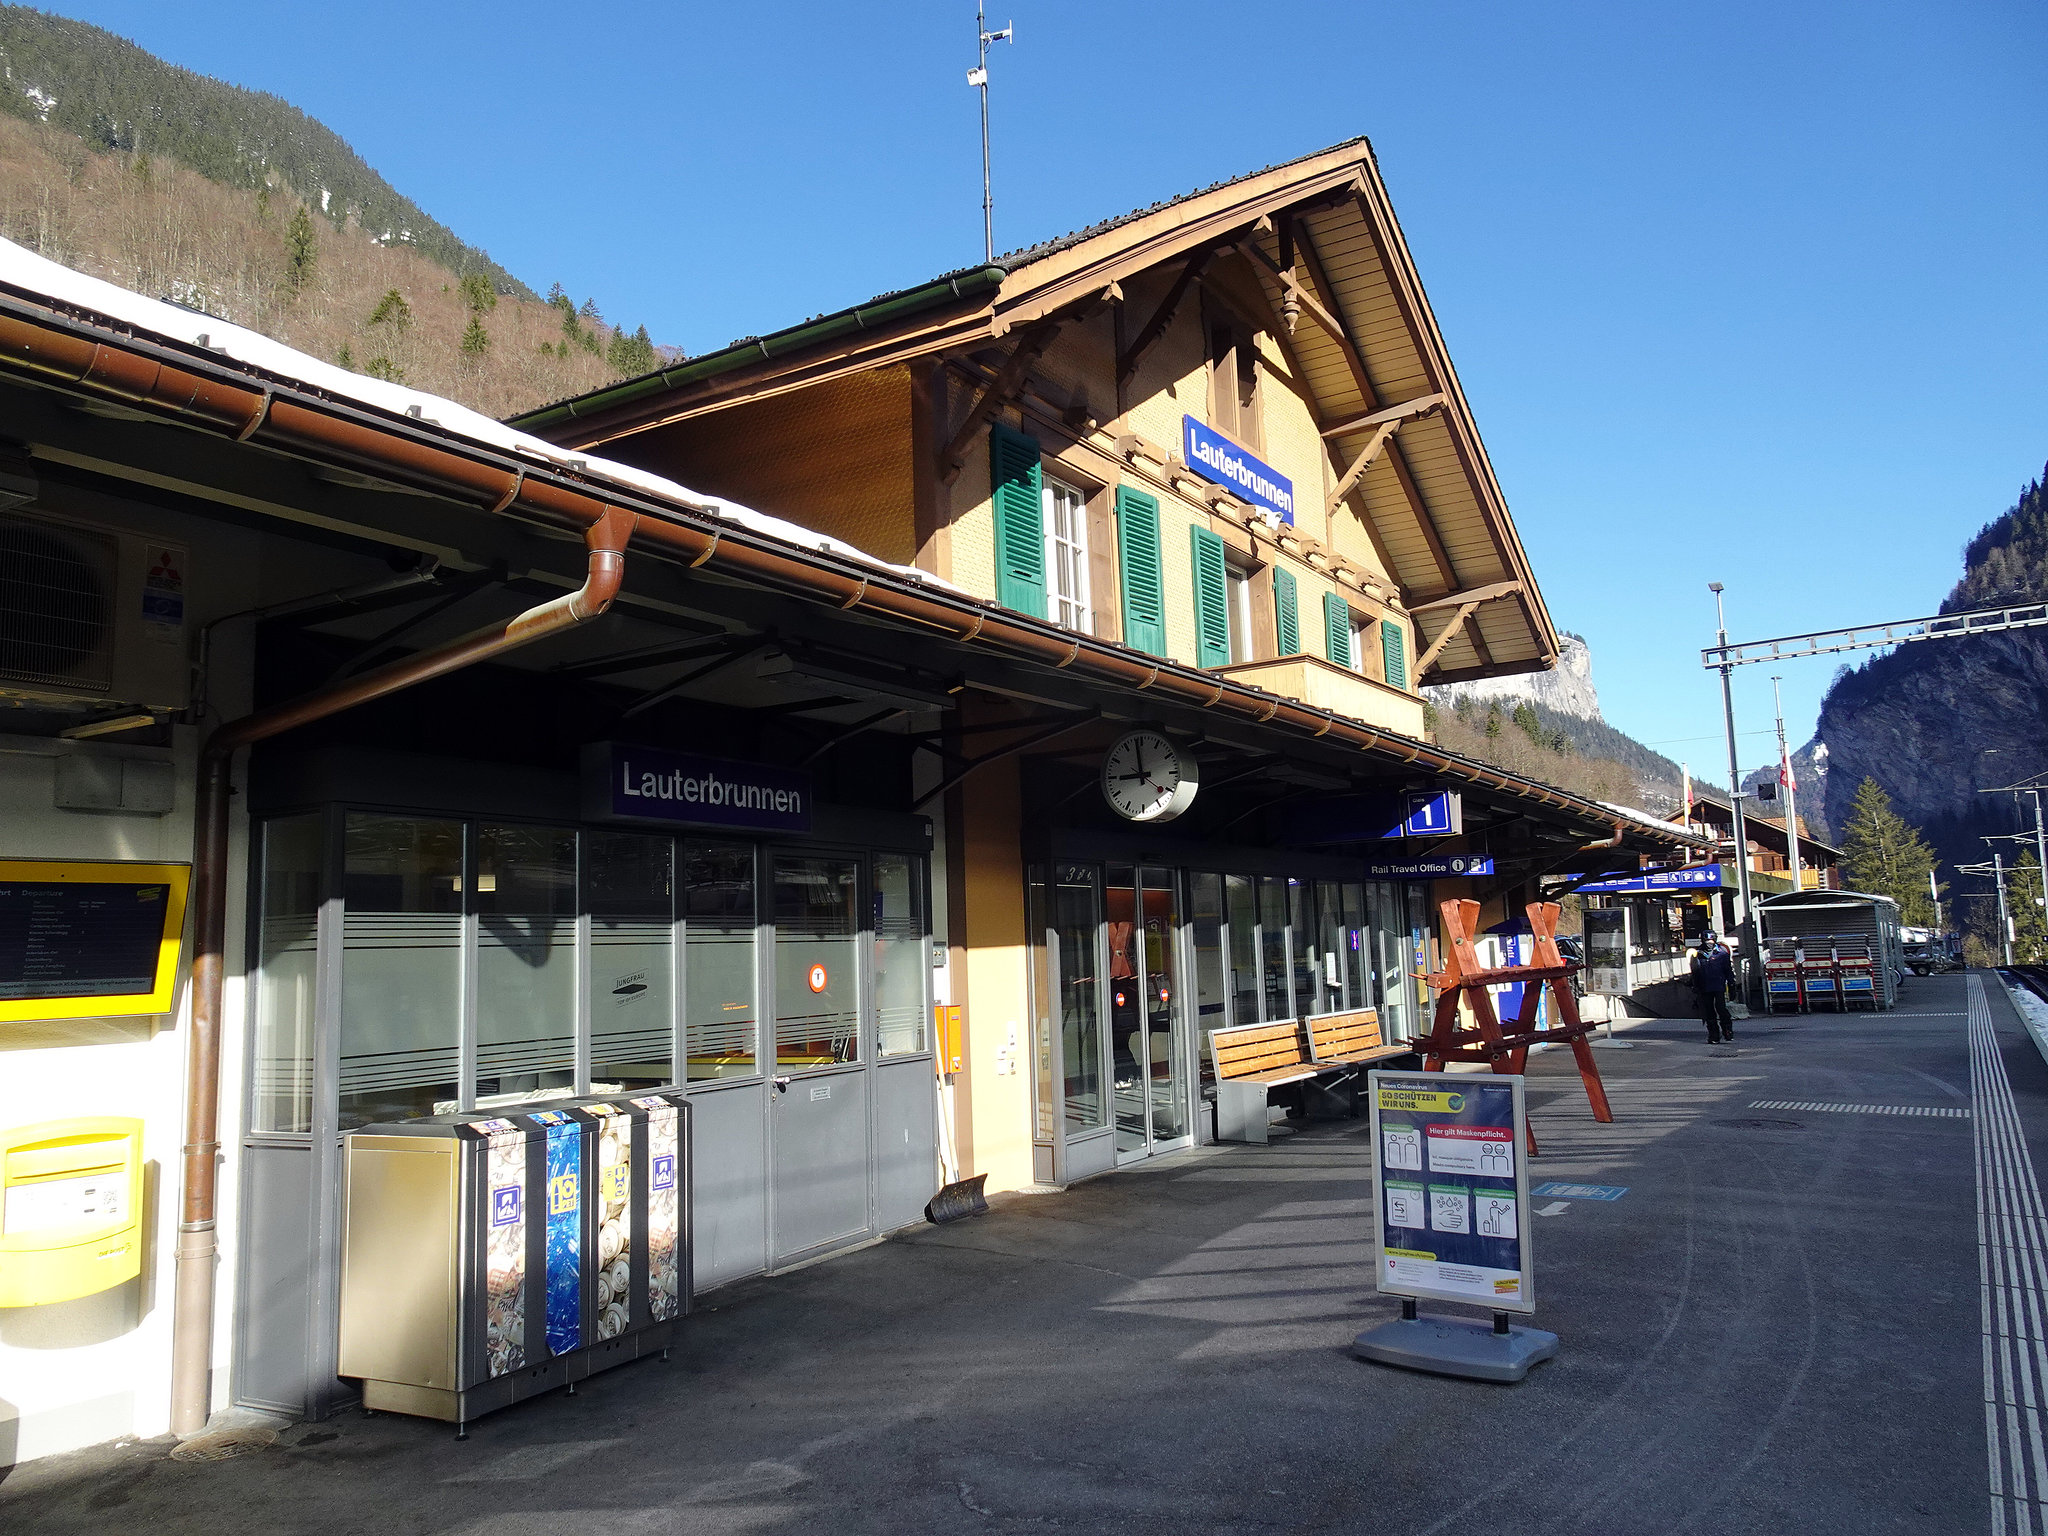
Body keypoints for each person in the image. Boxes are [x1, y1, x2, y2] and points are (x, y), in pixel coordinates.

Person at [1691, 930, 1736, 1045]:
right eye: (1706, 941)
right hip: (1704, 987)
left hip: (1718, 986)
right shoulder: (1697, 954)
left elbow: (1728, 970)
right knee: (1709, 1012)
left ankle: (1727, 1030)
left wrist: (1731, 985)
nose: (1709, 943)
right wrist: (1695, 986)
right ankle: (1713, 1035)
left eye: (1711, 940)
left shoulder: (1722, 953)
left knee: (1721, 1008)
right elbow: (1695, 972)